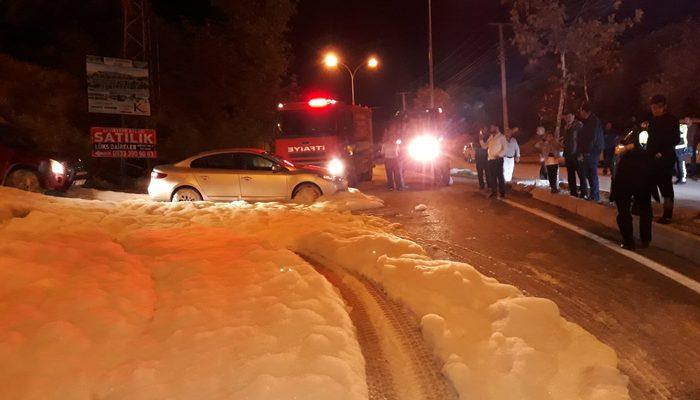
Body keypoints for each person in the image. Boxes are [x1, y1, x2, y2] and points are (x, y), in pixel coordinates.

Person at [611, 129, 654, 250]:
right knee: (641, 210)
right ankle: (641, 239)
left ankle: (630, 240)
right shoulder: (634, 136)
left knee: (627, 210)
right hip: (638, 180)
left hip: (629, 180)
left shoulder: (632, 138)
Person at [647, 94, 680, 224]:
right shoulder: (652, 121)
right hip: (652, 157)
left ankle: (667, 214)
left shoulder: (672, 120)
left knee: (666, 186)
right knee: (648, 182)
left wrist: (661, 152)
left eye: (658, 107)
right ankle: (643, 208)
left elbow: (675, 139)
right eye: (653, 107)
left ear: (664, 107)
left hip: (666, 157)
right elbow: (650, 139)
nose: (655, 110)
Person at [577, 102, 604, 201]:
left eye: (581, 110)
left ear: (585, 111)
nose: (580, 112)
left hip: (592, 151)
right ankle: (593, 194)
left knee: (591, 172)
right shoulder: (588, 121)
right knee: (588, 173)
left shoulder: (593, 121)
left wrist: (587, 151)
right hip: (589, 150)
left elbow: (592, 138)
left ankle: (595, 196)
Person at [562, 111, 586, 197]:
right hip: (568, 155)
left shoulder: (578, 126)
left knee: (581, 174)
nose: (567, 118)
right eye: (566, 117)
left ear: (573, 116)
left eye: (569, 116)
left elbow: (582, 140)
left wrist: (580, 153)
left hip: (577, 154)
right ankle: (573, 192)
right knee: (570, 174)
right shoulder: (566, 127)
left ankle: (584, 193)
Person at [480, 124, 507, 198]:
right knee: (493, 177)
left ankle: (502, 193)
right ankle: (494, 192)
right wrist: (481, 139)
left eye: (492, 127)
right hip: (491, 160)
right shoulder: (491, 137)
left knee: (500, 176)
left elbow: (505, 149)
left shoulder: (502, 137)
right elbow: (485, 146)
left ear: (497, 128)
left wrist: (499, 155)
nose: (490, 129)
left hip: (498, 160)